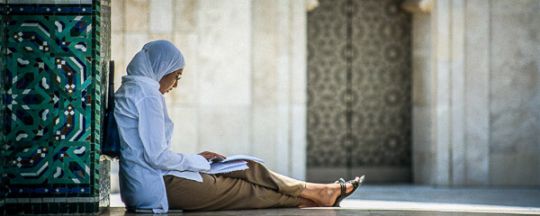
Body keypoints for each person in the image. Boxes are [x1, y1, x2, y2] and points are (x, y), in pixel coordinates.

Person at [114, 40, 364, 213]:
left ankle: (316, 194)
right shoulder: (147, 95)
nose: (176, 84)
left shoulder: (136, 89)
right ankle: (314, 197)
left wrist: (198, 160)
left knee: (247, 167)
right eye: (176, 75)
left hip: (154, 181)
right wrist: (198, 160)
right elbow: (157, 156)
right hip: (156, 187)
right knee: (241, 188)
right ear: (162, 69)